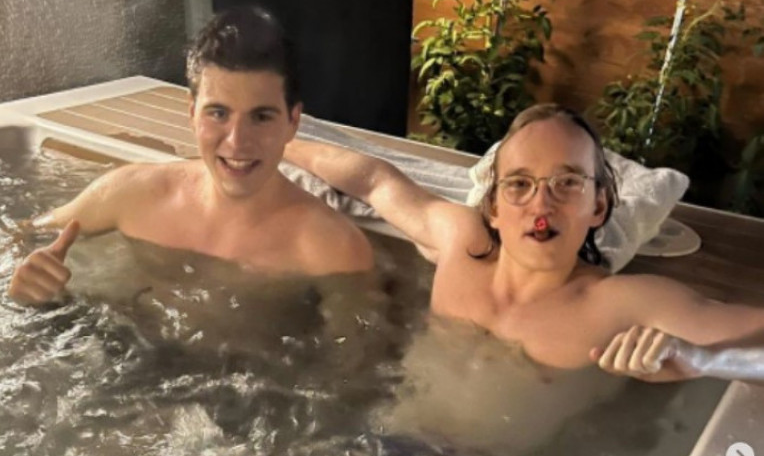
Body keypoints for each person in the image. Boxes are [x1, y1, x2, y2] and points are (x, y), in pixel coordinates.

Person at [284, 104, 764, 383]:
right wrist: (274, 146)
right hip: (390, 450)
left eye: (567, 183)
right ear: (493, 206)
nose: (542, 204)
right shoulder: (461, 244)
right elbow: (373, 181)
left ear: (598, 207)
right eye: (519, 184)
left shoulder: (616, 303)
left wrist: (704, 360)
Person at [8, 6, 373, 306]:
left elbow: (359, 361)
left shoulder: (329, 247)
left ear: (292, 122)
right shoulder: (132, 192)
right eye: (218, 113)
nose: (237, 141)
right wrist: (23, 278)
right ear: (192, 113)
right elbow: (22, 234)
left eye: (261, 117)